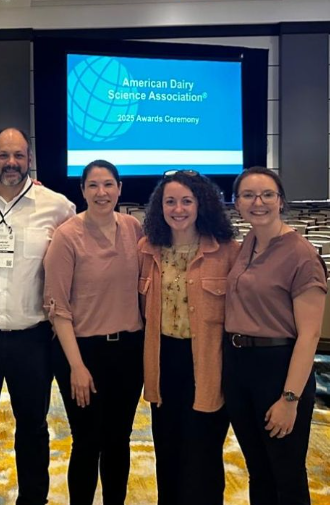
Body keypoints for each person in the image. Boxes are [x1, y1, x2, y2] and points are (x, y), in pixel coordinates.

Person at [0, 128, 75, 505]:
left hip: (32, 338)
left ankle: (33, 499)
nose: (11, 163)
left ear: (30, 160)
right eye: (4, 156)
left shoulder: (57, 207)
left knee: (33, 426)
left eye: (19, 156)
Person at [42, 160, 144, 505]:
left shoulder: (133, 228)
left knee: (119, 439)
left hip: (129, 351)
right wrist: (77, 367)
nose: (102, 193)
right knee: (87, 440)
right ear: (82, 191)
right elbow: (57, 307)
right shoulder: (67, 236)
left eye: (108, 185)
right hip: (81, 352)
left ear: (119, 188)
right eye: (93, 186)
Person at [224, 166, 326, 505]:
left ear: (280, 201)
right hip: (240, 368)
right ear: (237, 203)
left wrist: (290, 398)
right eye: (249, 195)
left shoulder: (301, 254)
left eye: (268, 194)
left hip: (279, 369)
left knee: (287, 473)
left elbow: (309, 335)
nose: (259, 202)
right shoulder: (245, 244)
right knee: (258, 469)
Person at [137, 170, 239, 505]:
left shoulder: (226, 252)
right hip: (163, 362)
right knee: (167, 452)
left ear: (201, 204)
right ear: (160, 207)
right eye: (170, 201)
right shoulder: (148, 250)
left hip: (207, 364)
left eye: (186, 201)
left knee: (204, 456)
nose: (178, 209)